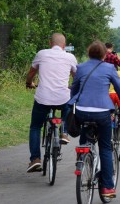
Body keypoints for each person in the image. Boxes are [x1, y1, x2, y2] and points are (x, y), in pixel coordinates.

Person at [69, 41, 120, 198]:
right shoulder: (109, 68)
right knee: (105, 148)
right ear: (104, 55)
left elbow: (74, 88)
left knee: (85, 138)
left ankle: (82, 157)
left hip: (82, 111)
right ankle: (108, 187)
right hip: (102, 112)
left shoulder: (81, 67)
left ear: (89, 54)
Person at [26, 33, 77, 172]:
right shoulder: (70, 57)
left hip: (43, 98)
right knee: (68, 109)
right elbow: (76, 77)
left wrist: (29, 82)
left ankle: (35, 159)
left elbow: (31, 73)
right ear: (64, 46)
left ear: (50, 43)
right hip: (63, 97)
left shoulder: (41, 54)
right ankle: (64, 132)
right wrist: (72, 87)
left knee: (35, 127)